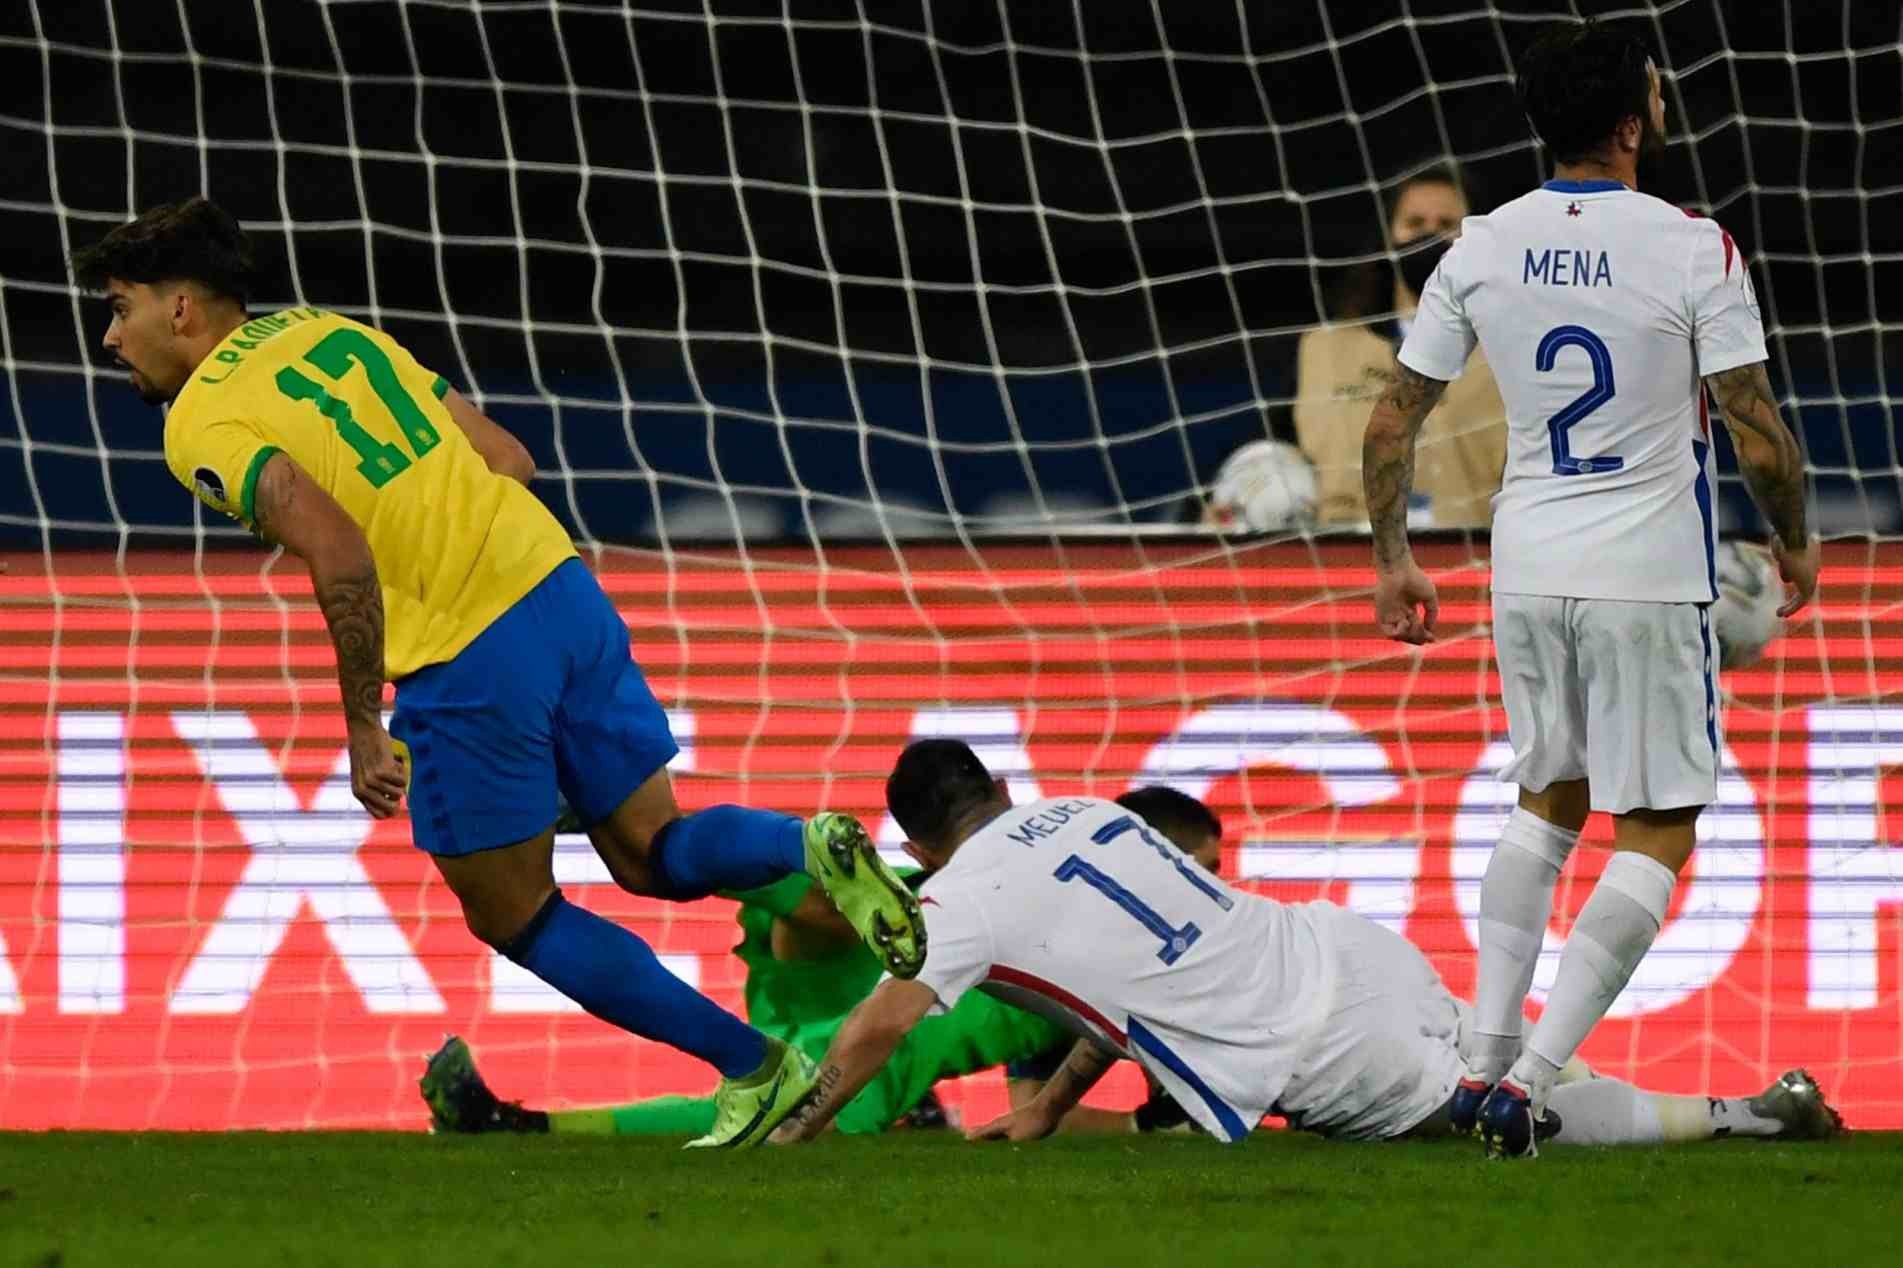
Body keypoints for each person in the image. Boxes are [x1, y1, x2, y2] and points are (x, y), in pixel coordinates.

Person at [69, 197, 925, 1149]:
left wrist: (363, 723)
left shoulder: (200, 422)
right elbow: (507, 458)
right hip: (558, 588)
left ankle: (757, 1071)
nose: (111, 336)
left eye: (120, 306)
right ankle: (804, 846)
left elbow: (340, 556)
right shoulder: (330, 331)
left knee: (511, 912)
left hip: (464, 650)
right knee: (649, 849)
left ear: (181, 307)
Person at [1359, 21, 1819, 1157]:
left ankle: (1475, 1058)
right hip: (1647, 579)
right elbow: (1755, 431)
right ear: (1630, 122)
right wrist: (1796, 536)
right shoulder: (1692, 248)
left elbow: (1389, 417)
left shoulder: (1476, 244)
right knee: (1656, 825)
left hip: (1527, 565)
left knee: (1546, 801)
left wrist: (1389, 557)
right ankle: (1529, 1078)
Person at [769, 740, 1841, 1150]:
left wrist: (793, 1130)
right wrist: (1048, 1104)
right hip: (1341, 945)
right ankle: (1738, 1107)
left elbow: (876, 1023)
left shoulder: (956, 906)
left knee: (1506, 1121)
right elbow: (1140, 972)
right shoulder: (1090, 808)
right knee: (1500, 1074)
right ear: (1000, 788)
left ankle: (1742, 1113)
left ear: (913, 839)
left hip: (1309, 1041)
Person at [416, 786, 1224, 1139]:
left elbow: (1031, 1103)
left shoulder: (1112, 952)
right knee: (819, 934)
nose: (1213, 887)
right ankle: (627, 825)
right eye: (1204, 867)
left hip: (844, 1028)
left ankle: (520, 1125)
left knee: (818, 933)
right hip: (835, 1022)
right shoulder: (1052, 912)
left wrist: (1146, 1124)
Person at [1292, 168, 1508, 530]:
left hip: (1469, 556)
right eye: (1415, 223)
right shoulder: (1324, 349)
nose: (1429, 236)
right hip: (1345, 557)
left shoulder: (1508, 355)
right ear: (1388, 236)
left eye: (1446, 224)